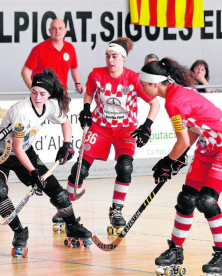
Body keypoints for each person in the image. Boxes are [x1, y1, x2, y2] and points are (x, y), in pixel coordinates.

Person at [0, 68, 91, 257]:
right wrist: (34, 172)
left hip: (26, 153)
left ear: (49, 94)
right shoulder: (21, 112)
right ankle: (19, 232)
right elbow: (16, 147)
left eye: (42, 93)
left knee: (58, 194)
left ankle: (72, 225)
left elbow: (65, 122)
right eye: (34, 92)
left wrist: (66, 144)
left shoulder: (50, 106)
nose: (37, 97)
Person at [60, 37, 160, 234]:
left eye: (114, 56)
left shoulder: (133, 78)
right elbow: (89, 92)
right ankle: (65, 208)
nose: (110, 60)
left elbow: (155, 103)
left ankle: (116, 209)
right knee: (80, 170)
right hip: (100, 128)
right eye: (107, 56)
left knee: (125, 167)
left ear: (123, 58)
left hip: (125, 130)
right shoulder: (97, 74)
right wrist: (87, 108)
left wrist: (147, 125)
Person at [140, 58, 222, 275]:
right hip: (207, 147)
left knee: (207, 200)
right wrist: (178, 158)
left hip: (221, 147)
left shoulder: (173, 101)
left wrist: (167, 161)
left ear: (155, 84)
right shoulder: (178, 92)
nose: (141, 87)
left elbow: (183, 141)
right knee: (186, 199)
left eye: (143, 84)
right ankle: (175, 250)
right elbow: (193, 130)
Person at [21, 19, 85, 94]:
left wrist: (77, 84)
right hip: (42, 95)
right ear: (50, 31)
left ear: (65, 30)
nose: (57, 31)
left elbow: (74, 67)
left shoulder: (70, 48)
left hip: (61, 94)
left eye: (60, 28)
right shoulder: (39, 49)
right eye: (54, 28)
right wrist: (34, 90)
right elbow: (25, 71)